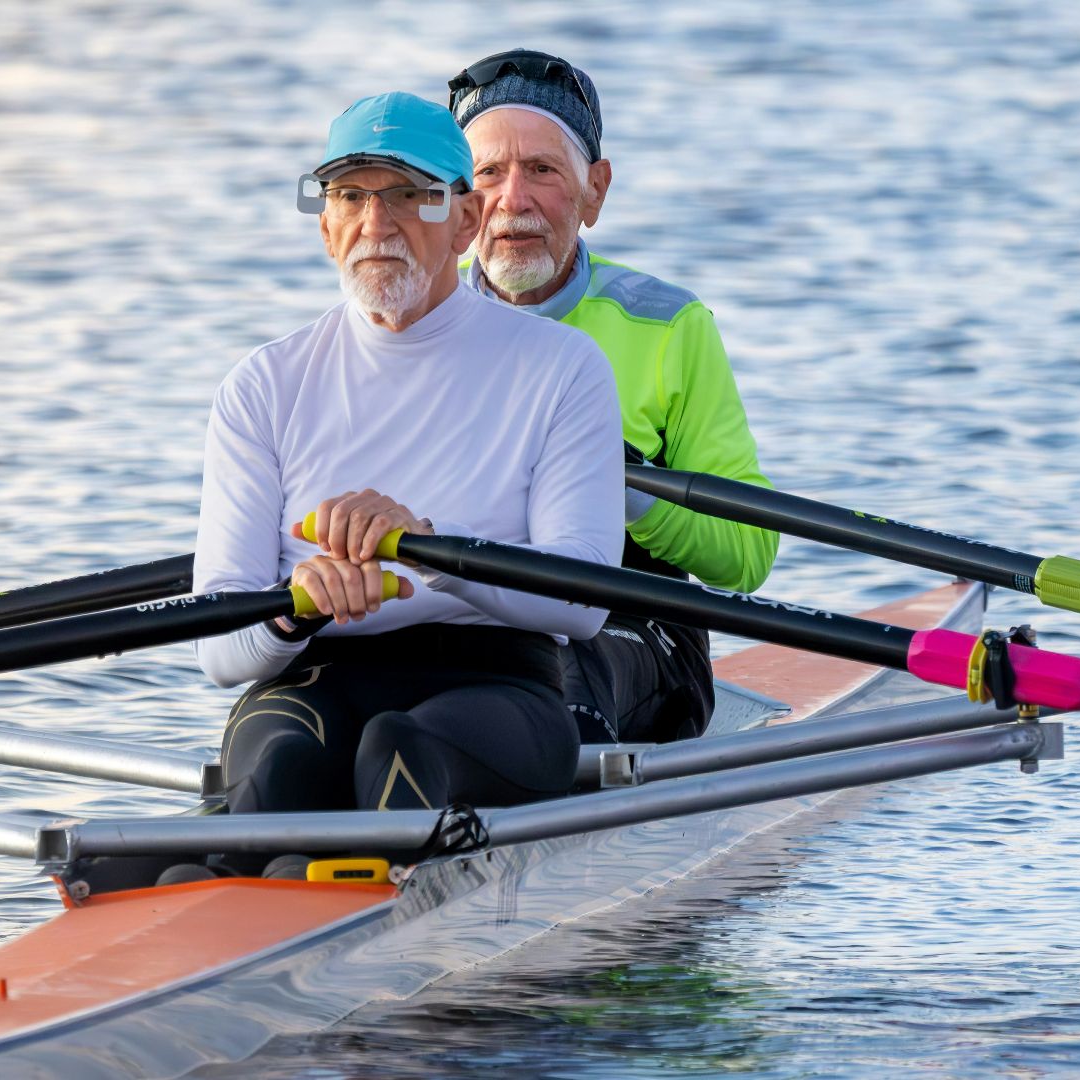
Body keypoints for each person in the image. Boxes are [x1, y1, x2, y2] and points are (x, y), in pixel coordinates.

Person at [191, 91, 623, 856]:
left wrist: (426, 545)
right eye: (350, 196)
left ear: (465, 220)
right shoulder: (262, 385)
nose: (376, 223)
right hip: (313, 677)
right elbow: (221, 650)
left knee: (396, 748)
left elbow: (583, 601)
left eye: (408, 195)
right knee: (280, 765)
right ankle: (231, 893)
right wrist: (296, 609)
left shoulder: (561, 367)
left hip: (495, 685)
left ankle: (316, 890)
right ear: (325, 226)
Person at [448, 49, 780, 746]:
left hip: (632, 620)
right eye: (489, 173)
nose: (513, 200)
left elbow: (747, 555)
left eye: (543, 171)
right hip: (465, 615)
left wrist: (627, 486)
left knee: (565, 663)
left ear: (594, 191)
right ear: (457, 198)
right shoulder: (412, 323)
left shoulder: (668, 325)